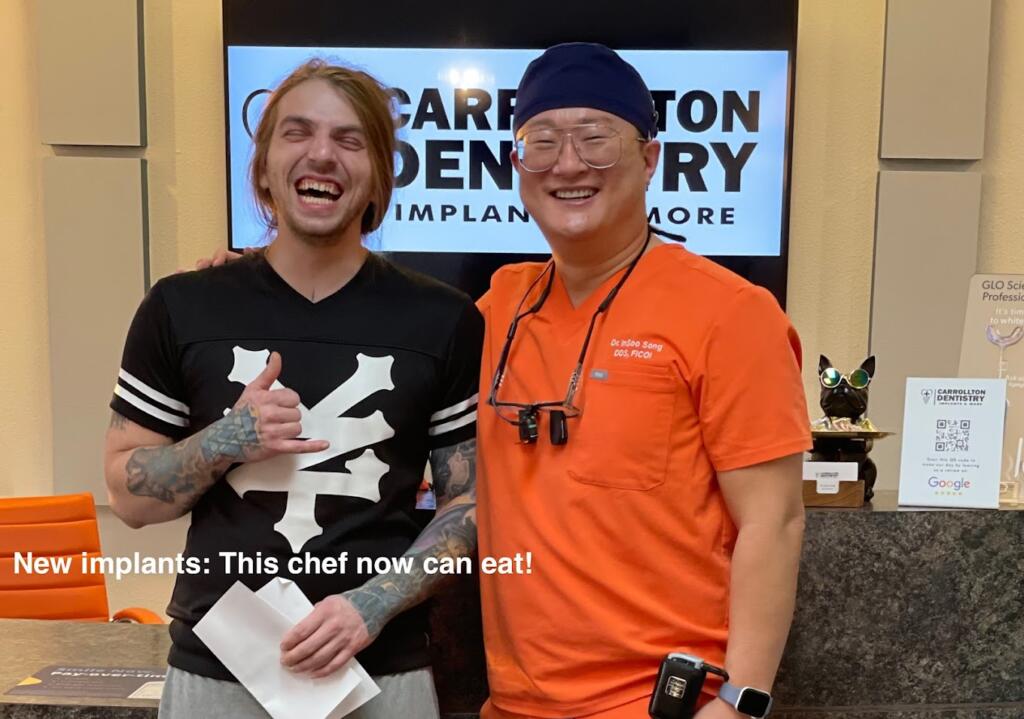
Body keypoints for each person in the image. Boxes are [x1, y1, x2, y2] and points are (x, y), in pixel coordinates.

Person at [104, 59, 482, 719]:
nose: (322, 154)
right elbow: (127, 497)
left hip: (382, 670)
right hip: (218, 672)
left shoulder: (444, 320)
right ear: (262, 169)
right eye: (298, 132)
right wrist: (225, 440)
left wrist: (372, 604)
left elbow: (471, 505)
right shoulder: (182, 307)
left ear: (380, 176)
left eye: (349, 139)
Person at [473, 43, 811, 719]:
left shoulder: (731, 312)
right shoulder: (499, 307)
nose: (568, 164)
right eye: (543, 142)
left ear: (650, 158)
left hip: (662, 701)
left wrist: (741, 700)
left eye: (595, 138)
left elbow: (773, 520)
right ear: (517, 165)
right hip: (513, 703)